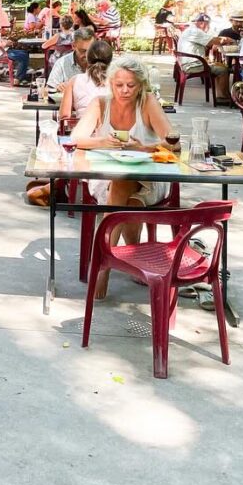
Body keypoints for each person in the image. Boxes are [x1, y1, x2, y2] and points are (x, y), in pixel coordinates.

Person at [71, 57, 175, 299]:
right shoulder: (100, 104)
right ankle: (127, 258)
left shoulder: (147, 102)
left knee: (124, 186)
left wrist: (144, 148)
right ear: (110, 84)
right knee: (123, 188)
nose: (125, 90)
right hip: (106, 179)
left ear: (141, 85)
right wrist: (102, 142)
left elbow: (173, 143)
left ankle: (103, 264)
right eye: (119, 85)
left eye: (131, 85)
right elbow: (76, 138)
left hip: (150, 178)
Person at [176, 13, 229, 97]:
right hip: (192, 65)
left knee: (219, 65)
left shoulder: (191, 30)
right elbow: (214, 41)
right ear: (202, 23)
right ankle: (224, 96)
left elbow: (209, 42)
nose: (209, 27)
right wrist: (228, 40)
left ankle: (220, 95)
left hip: (186, 63)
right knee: (223, 70)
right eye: (208, 24)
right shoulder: (195, 31)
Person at [58, 39, 113, 119]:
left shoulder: (75, 80)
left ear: (87, 57)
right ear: (110, 60)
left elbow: (64, 116)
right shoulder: (118, 82)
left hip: (83, 125)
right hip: (111, 126)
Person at [47, 26, 95, 90]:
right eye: (83, 51)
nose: (87, 55)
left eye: (91, 50)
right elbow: (49, 88)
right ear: (73, 46)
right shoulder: (62, 63)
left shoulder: (102, 61)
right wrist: (58, 87)